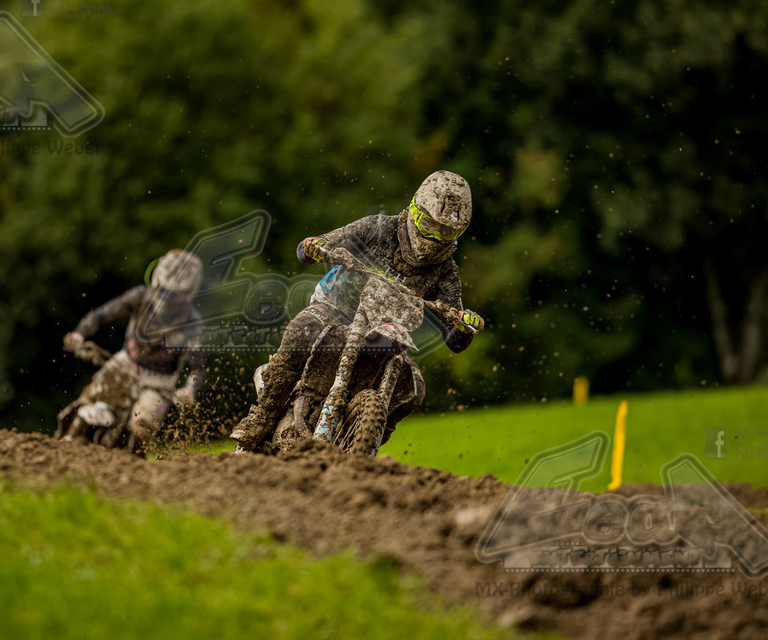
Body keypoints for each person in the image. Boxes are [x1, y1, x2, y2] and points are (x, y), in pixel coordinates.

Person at [230, 170, 485, 452]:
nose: (436, 236)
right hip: (336, 307)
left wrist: (463, 325)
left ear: (459, 232)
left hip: (386, 329)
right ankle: (260, 417)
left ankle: (365, 443)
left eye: (447, 231)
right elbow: (319, 243)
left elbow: (455, 337)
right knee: (302, 329)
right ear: (414, 210)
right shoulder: (377, 228)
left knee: (413, 386)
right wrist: (314, 246)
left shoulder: (446, 270)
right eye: (429, 225)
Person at [57, 249, 206, 456]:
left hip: (161, 381)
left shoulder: (193, 322)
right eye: (164, 291)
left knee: (143, 425)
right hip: (126, 363)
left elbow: (198, 367)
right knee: (93, 404)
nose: (167, 298)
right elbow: (102, 314)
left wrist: (190, 389)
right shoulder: (140, 296)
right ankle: (67, 443)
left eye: (174, 295)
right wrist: (80, 334)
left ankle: (131, 467)